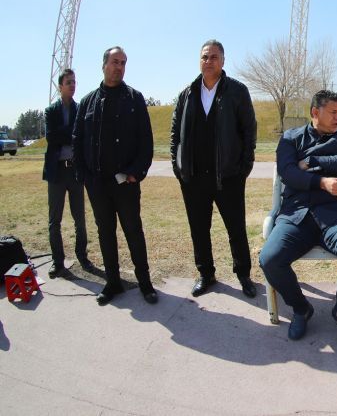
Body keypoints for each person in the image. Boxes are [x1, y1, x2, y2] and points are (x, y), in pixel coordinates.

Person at [259, 90, 337, 343]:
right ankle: (301, 309)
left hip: (335, 215)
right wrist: (321, 182)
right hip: (297, 215)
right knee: (269, 259)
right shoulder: (291, 138)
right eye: (333, 112)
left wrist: (311, 160)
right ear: (315, 112)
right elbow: (288, 173)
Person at [170, 40, 257, 299]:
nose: (208, 61)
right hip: (194, 178)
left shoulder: (237, 91)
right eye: (205, 57)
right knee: (199, 229)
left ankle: (243, 274)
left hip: (228, 176)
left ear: (223, 61)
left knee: (236, 229)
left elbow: (249, 131)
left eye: (214, 57)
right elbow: (175, 134)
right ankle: (205, 274)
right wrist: (179, 167)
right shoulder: (187, 94)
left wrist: (243, 169)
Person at [72, 46, 158, 305]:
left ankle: (145, 283)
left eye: (123, 63)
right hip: (97, 183)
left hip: (125, 183)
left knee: (133, 231)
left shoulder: (134, 98)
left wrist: (136, 173)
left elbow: (146, 141)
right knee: (105, 233)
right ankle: (112, 282)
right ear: (104, 65)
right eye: (115, 62)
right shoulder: (87, 102)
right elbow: (77, 141)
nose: (119, 67)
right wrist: (84, 176)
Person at [43, 69, 93, 278]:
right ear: (60, 86)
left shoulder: (79, 109)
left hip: (74, 171)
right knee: (54, 221)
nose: (72, 85)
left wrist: (67, 133)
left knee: (79, 218)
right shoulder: (50, 111)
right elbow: (51, 137)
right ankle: (58, 262)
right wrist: (71, 132)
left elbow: (81, 137)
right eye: (68, 82)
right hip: (56, 172)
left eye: (74, 82)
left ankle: (82, 257)